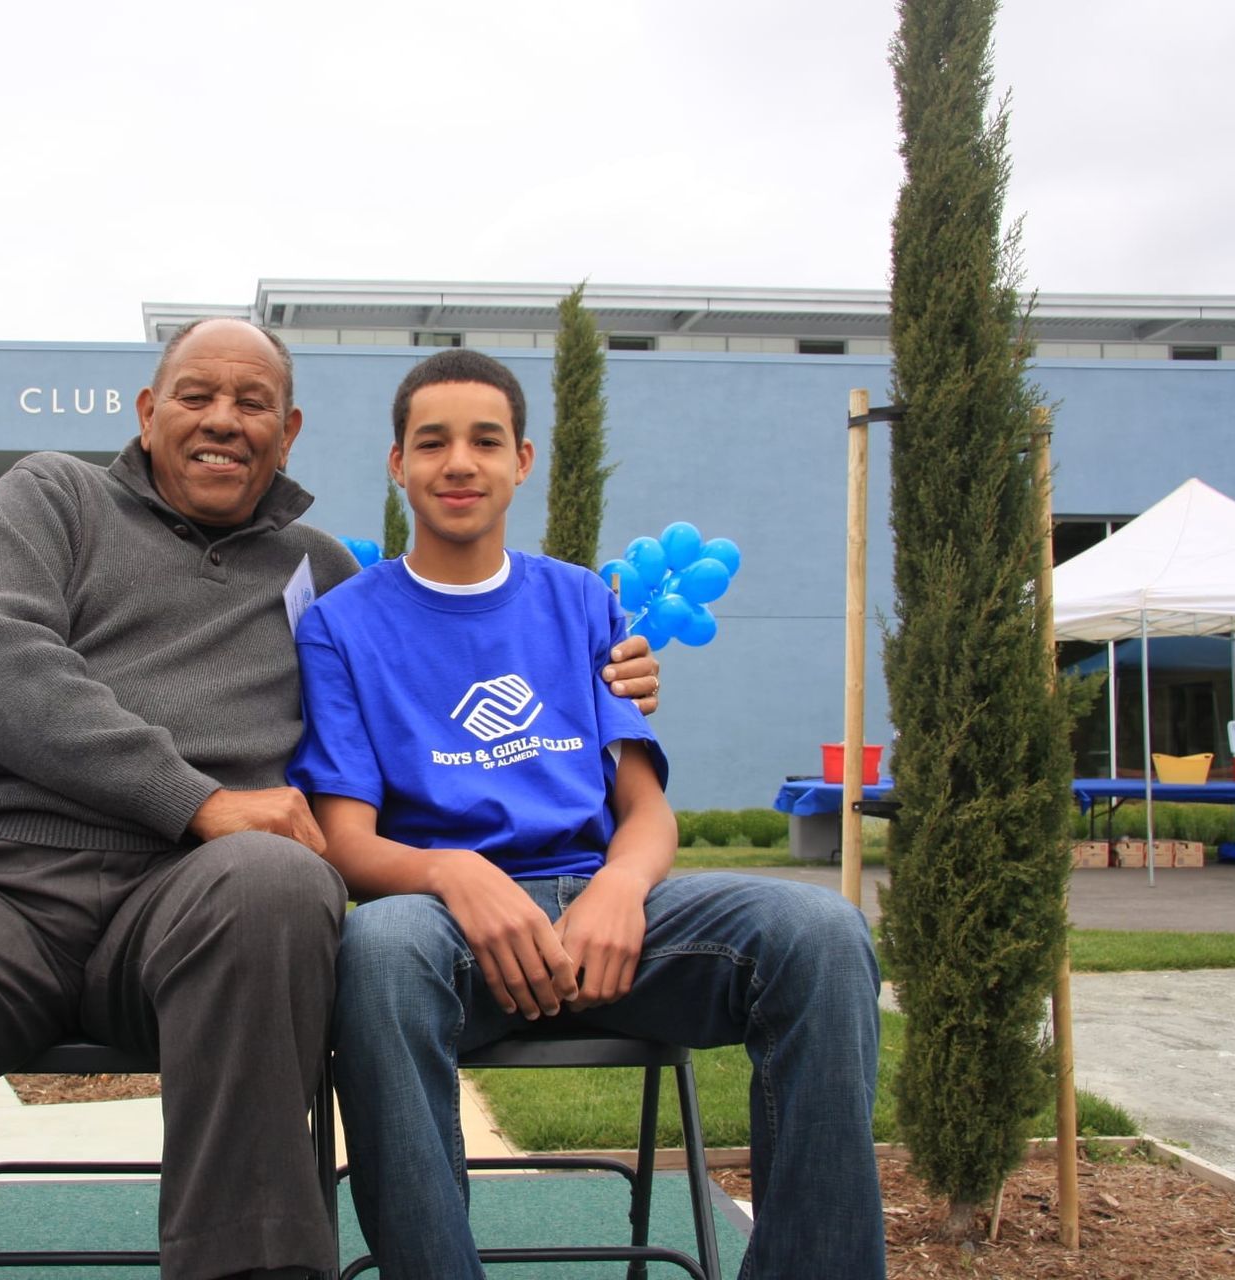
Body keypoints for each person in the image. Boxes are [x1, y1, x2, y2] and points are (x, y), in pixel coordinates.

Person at [0, 320, 662, 1280]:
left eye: (253, 403)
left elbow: (438, 669)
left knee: (275, 884)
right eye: (197, 395)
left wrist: (603, 674)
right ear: (148, 412)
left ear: (287, 433)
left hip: (192, 907)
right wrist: (194, 798)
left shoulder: (323, 577)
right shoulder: (55, 496)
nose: (224, 420)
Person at [287, 348, 885, 1280]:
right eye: (432, 441)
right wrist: (454, 872)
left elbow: (645, 810)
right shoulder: (341, 624)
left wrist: (620, 888)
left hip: (608, 916)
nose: (459, 463)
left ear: (522, 461)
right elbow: (347, 841)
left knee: (822, 933)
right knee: (377, 954)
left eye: (485, 441)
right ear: (395, 463)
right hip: (445, 929)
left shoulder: (581, 600)